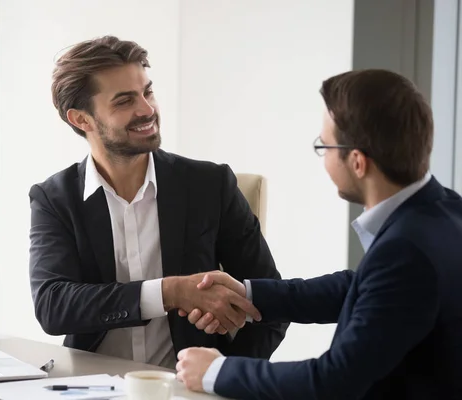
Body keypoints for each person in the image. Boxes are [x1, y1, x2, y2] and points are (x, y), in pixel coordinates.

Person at [176, 69, 462, 399]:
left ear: (357, 162)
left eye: (324, 146)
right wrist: (249, 294)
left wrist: (217, 371)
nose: (323, 157)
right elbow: (360, 288)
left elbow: (334, 381)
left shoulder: (404, 251)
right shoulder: (445, 210)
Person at [28, 35, 287, 370]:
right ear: (81, 120)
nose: (147, 109)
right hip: (90, 385)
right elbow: (54, 306)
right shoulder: (55, 198)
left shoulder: (210, 185)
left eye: (147, 92)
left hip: (185, 388)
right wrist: (169, 292)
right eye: (124, 101)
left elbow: (273, 301)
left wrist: (224, 376)